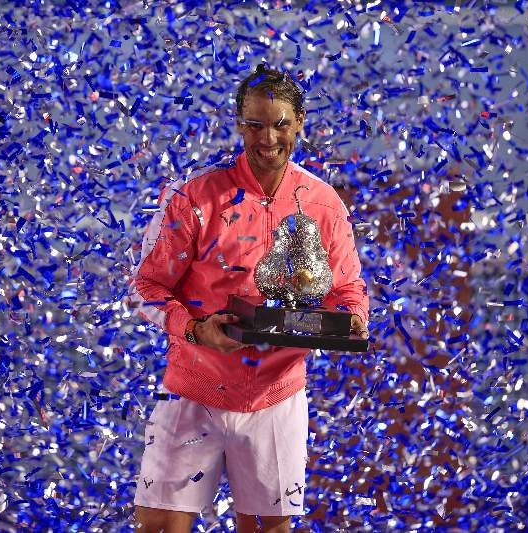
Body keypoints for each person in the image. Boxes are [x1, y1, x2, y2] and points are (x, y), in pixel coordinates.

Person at [127, 64, 369, 533]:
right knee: (158, 527)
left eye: (280, 124)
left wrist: (350, 319)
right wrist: (196, 329)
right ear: (239, 124)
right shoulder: (194, 197)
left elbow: (346, 288)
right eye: (255, 125)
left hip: (277, 396)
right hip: (193, 390)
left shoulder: (322, 203)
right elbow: (145, 288)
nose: (267, 138)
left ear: (299, 122)